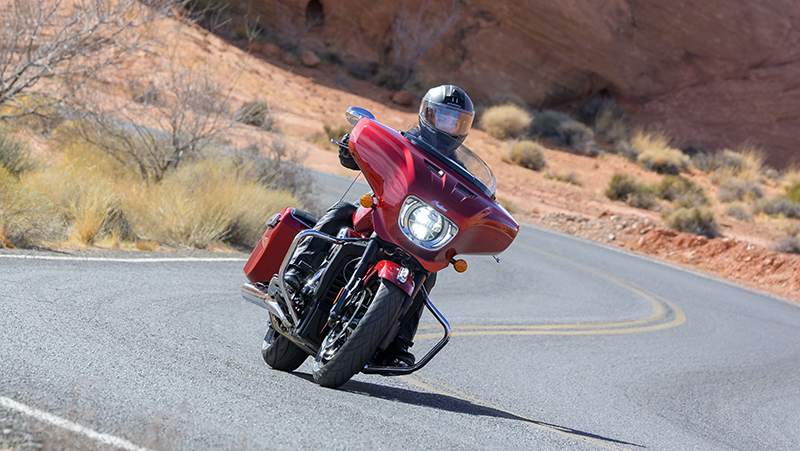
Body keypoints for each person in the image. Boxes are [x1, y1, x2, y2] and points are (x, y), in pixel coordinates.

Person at [284, 85, 475, 366]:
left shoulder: (463, 175)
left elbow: (472, 205)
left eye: (455, 120)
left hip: (414, 231)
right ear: (427, 114)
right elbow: (369, 150)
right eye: (442, 117)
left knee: (428, 273)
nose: (448, 125)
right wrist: (354, 147)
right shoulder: (402, 142)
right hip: (382, 214)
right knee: (342, 212)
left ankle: (399, 343)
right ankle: (296, 273)